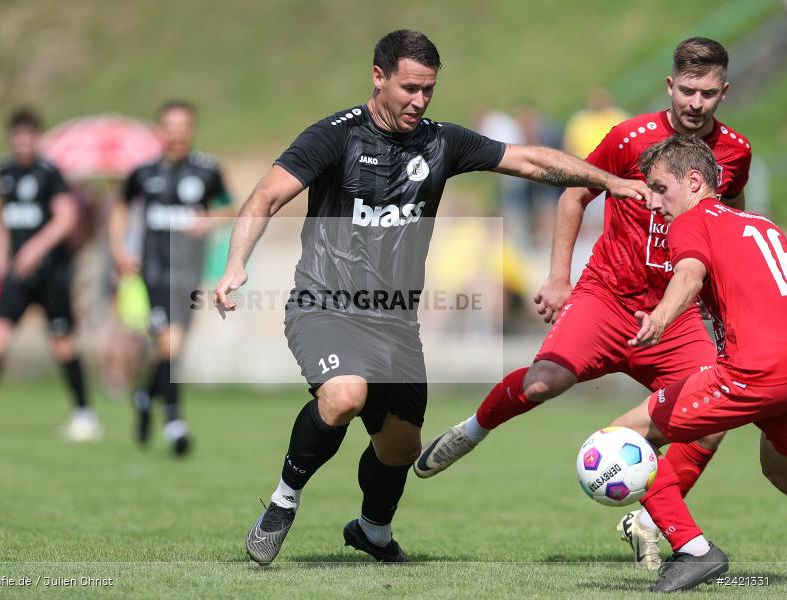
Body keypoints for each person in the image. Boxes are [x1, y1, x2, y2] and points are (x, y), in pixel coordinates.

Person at [213, 29, 650, 566]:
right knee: (344, 395)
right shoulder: (336, 137)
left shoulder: (441, 142)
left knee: (400, 447)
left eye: (428, 91)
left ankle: (372, 530)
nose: (419, 102)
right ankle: (283, 501)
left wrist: (608, 180)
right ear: (378, 78)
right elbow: (266, 195)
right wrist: (237, 262)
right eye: (409, 88)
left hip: (394, 322)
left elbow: (530, 162)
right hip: (324, 304)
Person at [415, 37, 753, 570]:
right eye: (686, 90)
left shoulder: (735, 151)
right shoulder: (628, 137)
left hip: (677, 312)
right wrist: (557, 276)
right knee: (545, 382)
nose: (695, 103)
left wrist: (725, 297)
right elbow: (574, 192)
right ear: (670, 85)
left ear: (723, 92)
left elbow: (729, 217)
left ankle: (650, 520)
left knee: (711, 417)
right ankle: (471, 431)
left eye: (707, 93)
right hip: (607, 297)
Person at [606, 135, 787, 592]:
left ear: (693, 181)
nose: (654, 201)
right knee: (777, 465)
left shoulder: (693, 219)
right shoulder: (761, 225)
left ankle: (693, 550)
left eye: (660, 188)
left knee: (621, 438)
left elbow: (688, 274)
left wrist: (661, 319)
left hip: (754, 372)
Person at [0, 108, 103, 442]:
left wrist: (35, 248)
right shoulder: (5, 170)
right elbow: (5, 217)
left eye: (30, 136)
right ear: (12, 138)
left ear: (37, 138)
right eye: (18, 136)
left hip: (51, 273)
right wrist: (0, 258)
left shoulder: (50, 173)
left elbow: (66, 217)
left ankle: (85, 416)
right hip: (17, 276)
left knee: (63, 345)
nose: (24, 142)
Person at [110, 100, 234, 456]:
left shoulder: (206, 170)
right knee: (170, 346)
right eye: (170, 125)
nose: (177, 132)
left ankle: (146, 396)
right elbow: (121, 208)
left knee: (170, 348)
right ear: (159, 130)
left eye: (184, 126)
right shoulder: (143, 173)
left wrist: (210, 220)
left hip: (189, 271)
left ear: (191, 129)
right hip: (154, 271)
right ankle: (175, 423)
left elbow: (229, 206)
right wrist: (120, 249)